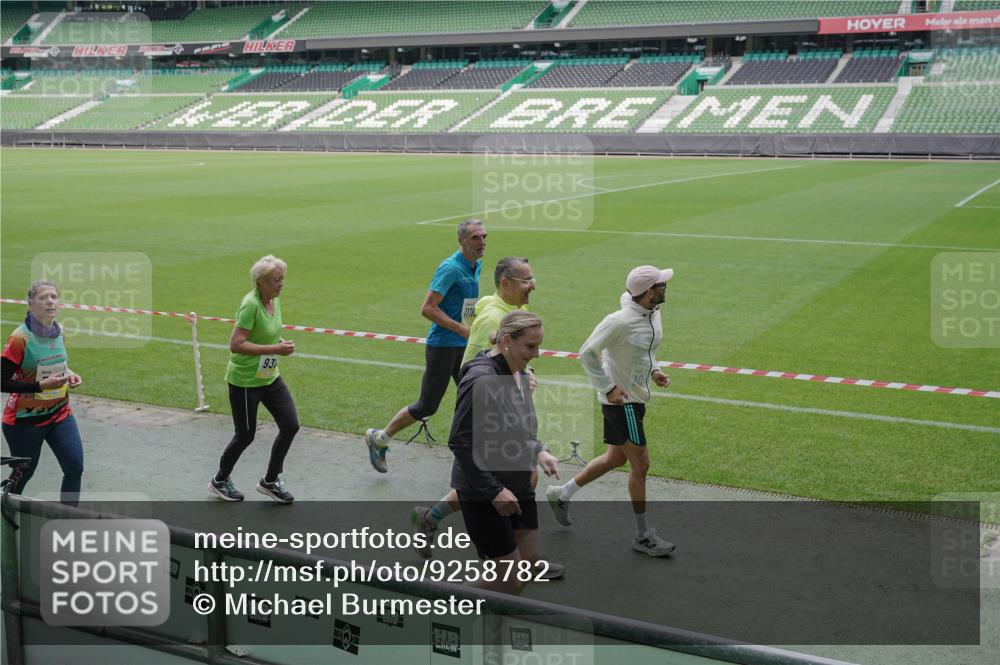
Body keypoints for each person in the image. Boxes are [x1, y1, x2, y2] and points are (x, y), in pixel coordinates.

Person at [546, 266, 676, 557]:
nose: (665, 287)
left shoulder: (652, 312)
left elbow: (648, 348)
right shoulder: (619, 322)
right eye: (660, 284)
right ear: (646, 291)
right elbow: (587, 353)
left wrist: (654, 369)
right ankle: (642, 536)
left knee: (616, 458)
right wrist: (607, 388)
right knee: (640, 465)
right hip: (623, 403)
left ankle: (561, 494)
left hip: (637, 397)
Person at [411, 256, 535, 551]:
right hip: (494, 411)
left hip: (511, 405)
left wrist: (526, 372)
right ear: (506, 283)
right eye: (527, 280)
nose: (533, 286)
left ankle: (524, 557)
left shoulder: (514, 309)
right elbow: (474, 366)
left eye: (533, 279)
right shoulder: (494, 318)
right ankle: (517, 559)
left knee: (519, 478)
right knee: (492, 481)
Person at [449, 311, 561, 594]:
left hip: (517, 485)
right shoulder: (481, 379)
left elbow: (519, 425)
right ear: (508, 340)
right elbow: (460, 441)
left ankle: (488, 619)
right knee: (508, 580)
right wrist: (494, 491)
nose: (537, 354)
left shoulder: (519, 373)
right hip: (485, 490)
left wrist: (539, 451)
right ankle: (438, 607)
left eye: (539, 345)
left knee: (528, 563)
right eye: (531, 346)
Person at [365, 219, 486, 473]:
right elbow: (428, 308)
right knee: (427, 405)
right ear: (461, 241)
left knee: (475, 397)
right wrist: (458, 327)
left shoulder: (476, 265)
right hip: (443, 347)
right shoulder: (450, 268)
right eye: (476, 237)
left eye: (484, 236)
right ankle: (380, 438)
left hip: (465, 345)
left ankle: (472, 455)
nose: (482, 242)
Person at [210, 255, 299, 504]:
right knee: (245, 435)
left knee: (290, 425)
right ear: (260, 282)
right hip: (245, 382)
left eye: (282, 279)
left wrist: (277, 343)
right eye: (276, 280)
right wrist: (274, 350)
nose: (281, 284)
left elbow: (266, 333)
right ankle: (220, 480)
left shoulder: (274, 301)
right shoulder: (250, 304)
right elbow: (235, 345)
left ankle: (270, 481)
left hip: (269, 377)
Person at [1, 280, 84, 505]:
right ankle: (6, 519)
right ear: (30, 303)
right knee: (24, 474)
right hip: (24, 422)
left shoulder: (60, 330)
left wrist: (70, 374)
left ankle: (67, 523)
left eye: (54, 297)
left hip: (60, 414)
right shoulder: (19, 338)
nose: (50, 301)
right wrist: (39, 387)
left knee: (75, 466)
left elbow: (57, 364)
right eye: (43, 297)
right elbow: (1, 382)